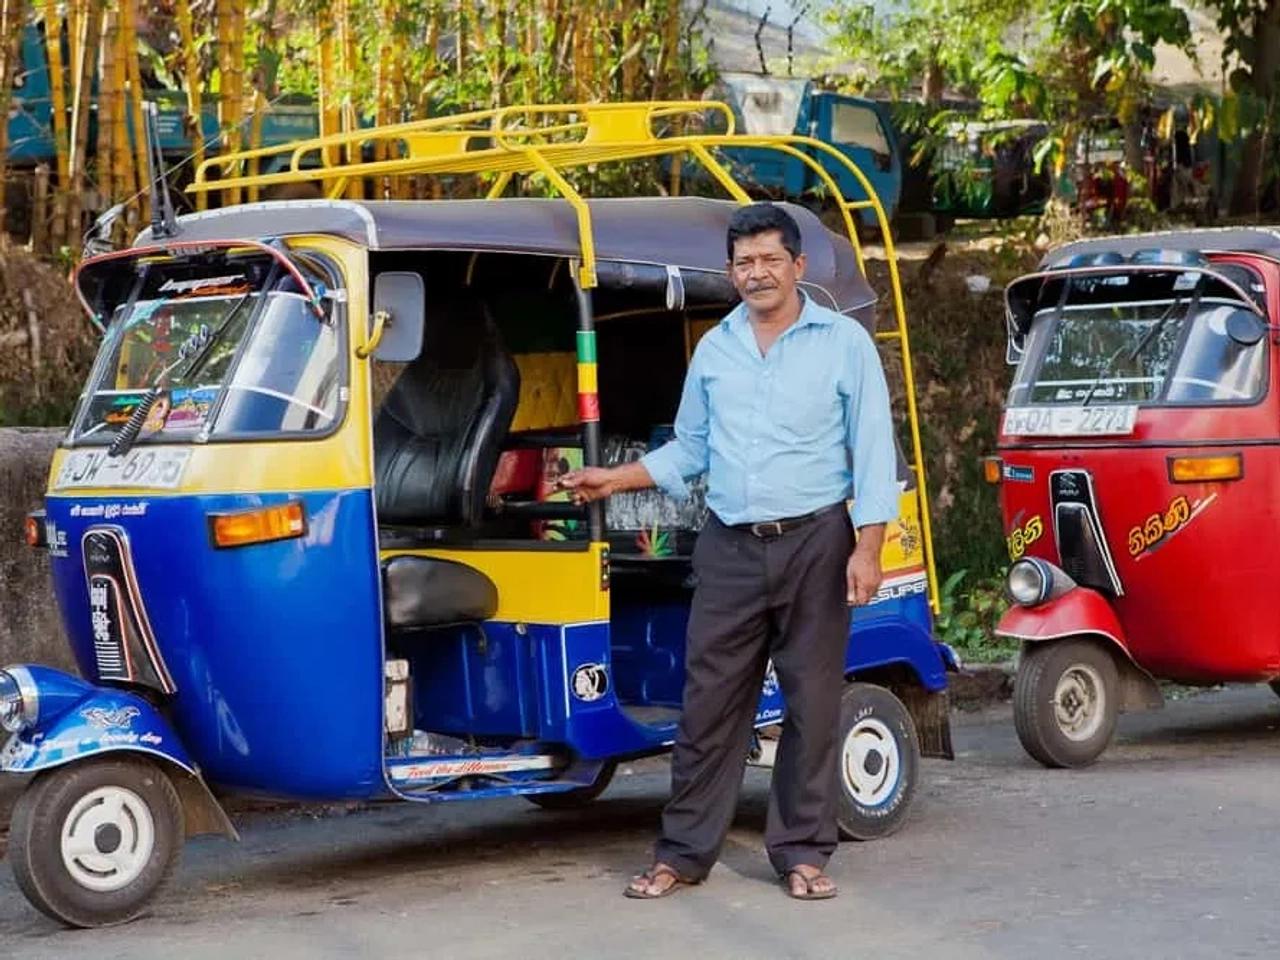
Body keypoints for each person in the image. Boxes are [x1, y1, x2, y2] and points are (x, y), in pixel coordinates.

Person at [557, 201, 900, 902]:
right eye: (745, 263)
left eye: (771, 259)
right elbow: (692, 448)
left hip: (816, 541)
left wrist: (868, 548)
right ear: (730, 272)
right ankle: (682, 854)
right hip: (731, 548)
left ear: (798, 266)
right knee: (708, 704)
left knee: (812, 703)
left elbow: (871, 451)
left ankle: (803, 852)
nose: (758, 273)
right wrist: (613, 478)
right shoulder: (716, 348)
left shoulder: (842, 344)